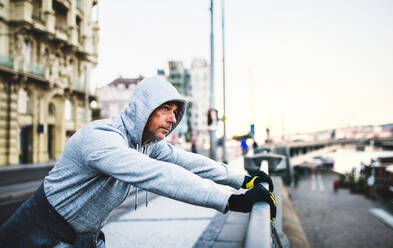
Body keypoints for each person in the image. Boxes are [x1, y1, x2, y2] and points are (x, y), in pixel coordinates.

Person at [0, 77, 276, 247]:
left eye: (176, 112)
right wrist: (233, 200)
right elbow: (159, 175)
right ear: (143, 109)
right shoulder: (102, 138)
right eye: (165, 109)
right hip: (35, 233)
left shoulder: (146, 145)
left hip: (78, 236)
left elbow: (188, 162)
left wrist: (242, 179)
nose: (172, 118)